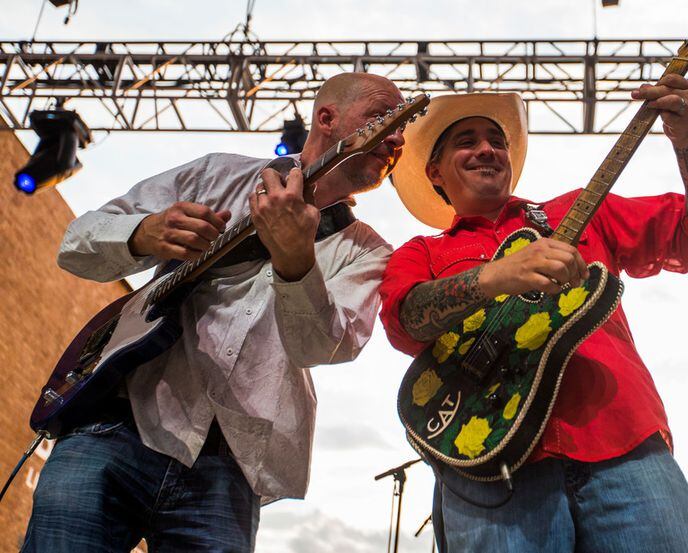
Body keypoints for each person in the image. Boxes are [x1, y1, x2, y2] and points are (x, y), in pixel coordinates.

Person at [23, 72, 405, 552]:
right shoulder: (215, 174)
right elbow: (75, 243)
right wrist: (142, 233)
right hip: (116, 424)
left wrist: (296, 263)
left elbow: (324, 347)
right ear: (327, 118)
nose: (396, 137)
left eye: (402, 129)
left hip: (227, 468)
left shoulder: (368, 251)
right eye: (382, 119)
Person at [379, 77, 688, 552]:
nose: (487, 149)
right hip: (488, 460)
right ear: (434, 173)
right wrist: (494, 277)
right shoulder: (422, 251)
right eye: (466, 142)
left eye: (497, 141)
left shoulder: (578, 210)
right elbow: (405, 320)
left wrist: (685, 137)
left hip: (622, 440)